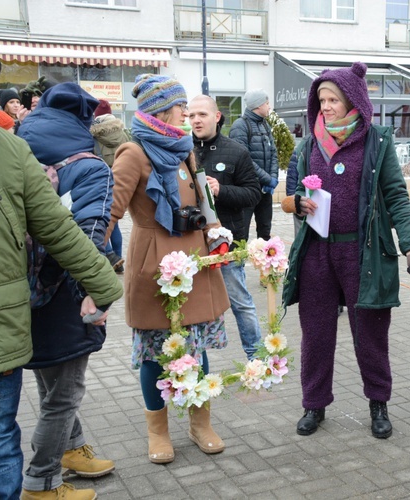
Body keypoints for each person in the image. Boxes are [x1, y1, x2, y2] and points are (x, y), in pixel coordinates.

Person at [0, 28, 122, 500]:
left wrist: (102, 283)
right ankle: (48, 479)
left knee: (3, 442)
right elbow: (82, 227)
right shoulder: (87, 164)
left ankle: (61, 461)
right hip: (32, 309)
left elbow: (58, 228)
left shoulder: (9, 147)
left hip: (2, 323)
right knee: (50, 403)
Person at [281, 62, 410, 440]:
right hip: (316, 253)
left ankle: (379, 403)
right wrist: (296, 203)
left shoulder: (377, 141)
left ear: (353, 102)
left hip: (362, 255)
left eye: (333, 99)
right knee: (315, 333)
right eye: (322, 99)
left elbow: (396, 196)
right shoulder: (308, 144)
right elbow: (291, 193)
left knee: (371, 333)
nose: (325, 106)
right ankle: (314, 404)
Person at [106, 74, 231, 464]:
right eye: (182, 108)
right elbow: (109, 209)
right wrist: (87, 255)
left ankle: (200, 423)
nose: (186, 115)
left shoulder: (184, 150)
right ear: (163, 109)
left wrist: (216, 234)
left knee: (197, 348)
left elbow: (204, 202)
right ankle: (157, 432)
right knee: (154, 354)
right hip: (154, 264)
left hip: (194, 263)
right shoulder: (133, 152)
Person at [17, 82, 117, 500]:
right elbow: (90, 233)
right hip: (66, 294)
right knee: (66, 391)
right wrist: (98, 289)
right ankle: (41, 482)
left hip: (22, 294)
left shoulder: (17, 153)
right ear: (85, 121)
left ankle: (72, 451)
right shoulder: (89, 166)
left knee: (49, 380)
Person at [188, 94, 263, 360]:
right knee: (194, 306)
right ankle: (193, 360)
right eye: (191, 115)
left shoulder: (236, 151)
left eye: (202, 114)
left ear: (216, 117)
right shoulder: (181, 151)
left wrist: (221, 190)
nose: (196, 120)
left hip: (226, 244)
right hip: (190, 244)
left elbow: (254, 193)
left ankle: (257, 356)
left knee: (240, 302)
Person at [229, 88, 279, 241]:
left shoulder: (265, 125)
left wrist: (273, 177)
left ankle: (266, 262)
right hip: (247, 189)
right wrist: (267, 179)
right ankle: (238, 264)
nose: (269, 107)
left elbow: (273, 153)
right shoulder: (240, 126)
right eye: (267, 103)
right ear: (258, 106)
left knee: (265, 231)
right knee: (241, 233)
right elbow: (244, 160)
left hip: (265, 191)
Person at [91, 100, 130, 274]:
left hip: (101, 183)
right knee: (116, 223)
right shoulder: (123, 133)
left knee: (104, 222)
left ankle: (110, 255)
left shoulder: (93, 135)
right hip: (121, 183)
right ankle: (118, 259)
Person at [285, 141, 305, 237]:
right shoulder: (303, 145)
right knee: (300, 237)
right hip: (300, 201)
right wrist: (293, 201)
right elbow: (292, 176)